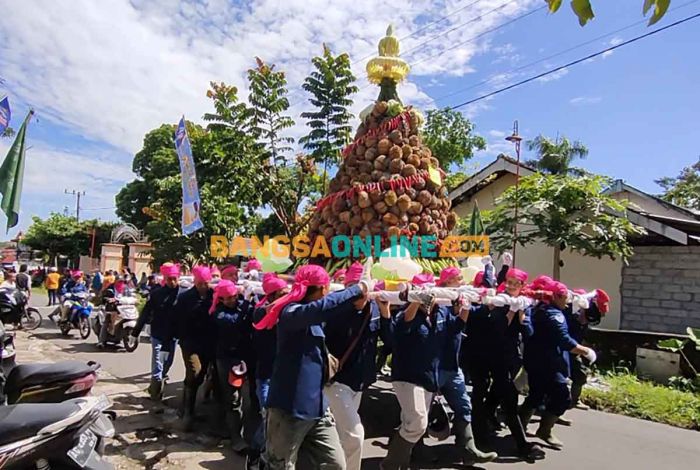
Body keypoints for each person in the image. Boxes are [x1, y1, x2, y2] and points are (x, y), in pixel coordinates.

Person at [261, 264, 372, 470]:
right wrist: (358, 287)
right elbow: (320, 309)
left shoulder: (314, 314)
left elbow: (333, 308)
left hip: (317, 410)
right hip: (289, 410)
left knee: (335, 464)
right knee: (279, 465)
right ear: (322, 289)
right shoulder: (290, 312)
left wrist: (360, 298)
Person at [382, 291, 470, 470]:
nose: (428, 300)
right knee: (418, 423)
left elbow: (457, 327)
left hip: (429, 378)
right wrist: (415, 301)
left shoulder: (441, 313)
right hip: (408, 377)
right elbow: (402, 327)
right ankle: (391, 462)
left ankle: (399, 462)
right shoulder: (406, 314)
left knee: (411, 423)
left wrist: (465, 308)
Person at [465, 267, 544, 461]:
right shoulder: (497, 302)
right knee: (497, 398)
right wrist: (508, 313)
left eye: (516, 284)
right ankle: (519, 444)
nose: (511, 286)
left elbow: (528, 334)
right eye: (509, 282)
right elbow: (494, 330)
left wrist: (521, 316)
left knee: (502, 398)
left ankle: (486, 430)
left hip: (507, 360)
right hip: (485, 358)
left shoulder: (522, 305)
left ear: (522, 286)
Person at [324, 262, 392, 470]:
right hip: (337, 382)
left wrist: (386, 313)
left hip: (360, 382)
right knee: (355, 435)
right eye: (355, 287)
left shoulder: (375, 309)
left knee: (342, 434)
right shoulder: (335, 310)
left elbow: (390, 343)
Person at [519, 280, 597, 450]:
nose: (567, 301)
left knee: (536, 395)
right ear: (555, 297)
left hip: (534, 360)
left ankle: (519, 428)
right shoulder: (554, 314)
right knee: (562, 398)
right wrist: (585, 351)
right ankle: (544, 430)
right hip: (549, 363)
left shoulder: (538, 309)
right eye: (564, 297)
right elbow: (564, 340)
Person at [433, 267, 498, 465]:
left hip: (452, 366)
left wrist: (470, 306)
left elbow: (462, 324)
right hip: (433, 365)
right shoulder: (438, 303)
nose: (463, 281)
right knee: (420, 413)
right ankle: (412, 450)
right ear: (447, 281)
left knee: (464, 405)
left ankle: (469, 450)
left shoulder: (457, 301)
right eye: (458, 278)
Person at [174, 265, 216, 431]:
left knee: (202, 374)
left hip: (208, 342)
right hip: (190, 343)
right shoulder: (185, 298)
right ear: (195, 282)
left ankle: (187, 406)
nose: (203, 286)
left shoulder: (214, 296)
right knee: (195, 372)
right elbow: (176, 319)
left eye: (206, 283)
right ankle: (188, 413)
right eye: (200, 283)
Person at [132, 264, 181, 399]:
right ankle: (155, 391)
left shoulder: (183, 294)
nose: (172, 282)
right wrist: (135, 332)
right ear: (164, 278)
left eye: (174, 279)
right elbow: (146, 313)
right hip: (158, 333)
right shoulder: (156, 294)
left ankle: (161, 380)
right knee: (158, 362)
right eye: (169, 279)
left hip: (173, 336)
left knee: (168, 362)